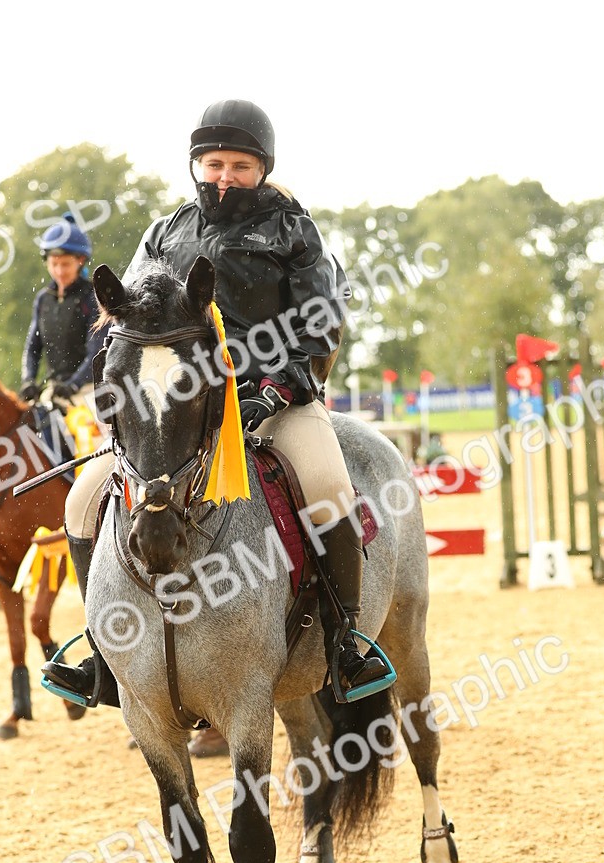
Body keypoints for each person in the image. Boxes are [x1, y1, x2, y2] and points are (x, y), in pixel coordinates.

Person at [42, 100, 391, 754]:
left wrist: (274, 386)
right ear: (196, 165)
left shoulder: (293, 231)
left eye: (239, 165)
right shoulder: (165, 233)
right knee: (84, 498)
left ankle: (346, 643)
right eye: (214, 164)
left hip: (278, 404)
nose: (224, 176)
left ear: (262, 169)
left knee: (327, 485)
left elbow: (317, 327)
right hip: (182, 412)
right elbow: (130, 320)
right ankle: (102, 649)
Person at [20, 213, 105, 411]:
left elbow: (97, 351)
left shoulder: (92, 297)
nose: (59, 271)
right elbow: (32, 348)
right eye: (54, 264)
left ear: (81, 261)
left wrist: (74, 384)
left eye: (65, 264)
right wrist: (28, 380)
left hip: (89, 391)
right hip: (54, 390)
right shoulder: (43, 299)